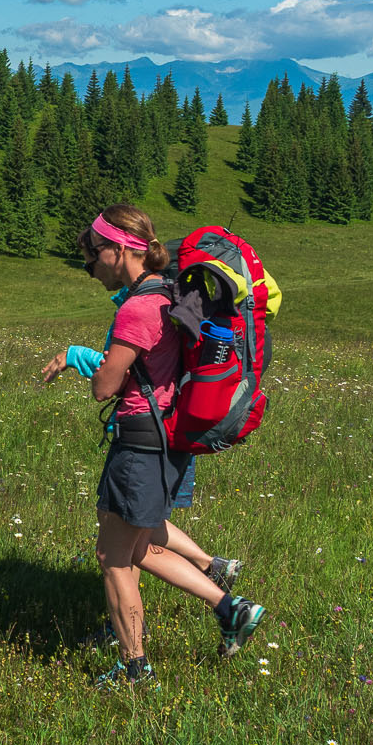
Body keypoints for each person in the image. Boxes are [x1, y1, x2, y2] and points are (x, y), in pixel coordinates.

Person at [40, 205, 266, 689]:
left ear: (119, 248)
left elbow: (105, 386)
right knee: (136, 545)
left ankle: (136, 668)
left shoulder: (138, 308)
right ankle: (228, 606)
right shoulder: (167, 293)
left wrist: (86, 362)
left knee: (114, 558)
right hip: (166, 438)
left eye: (92, 256)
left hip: (141, 442)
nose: (91, 267)